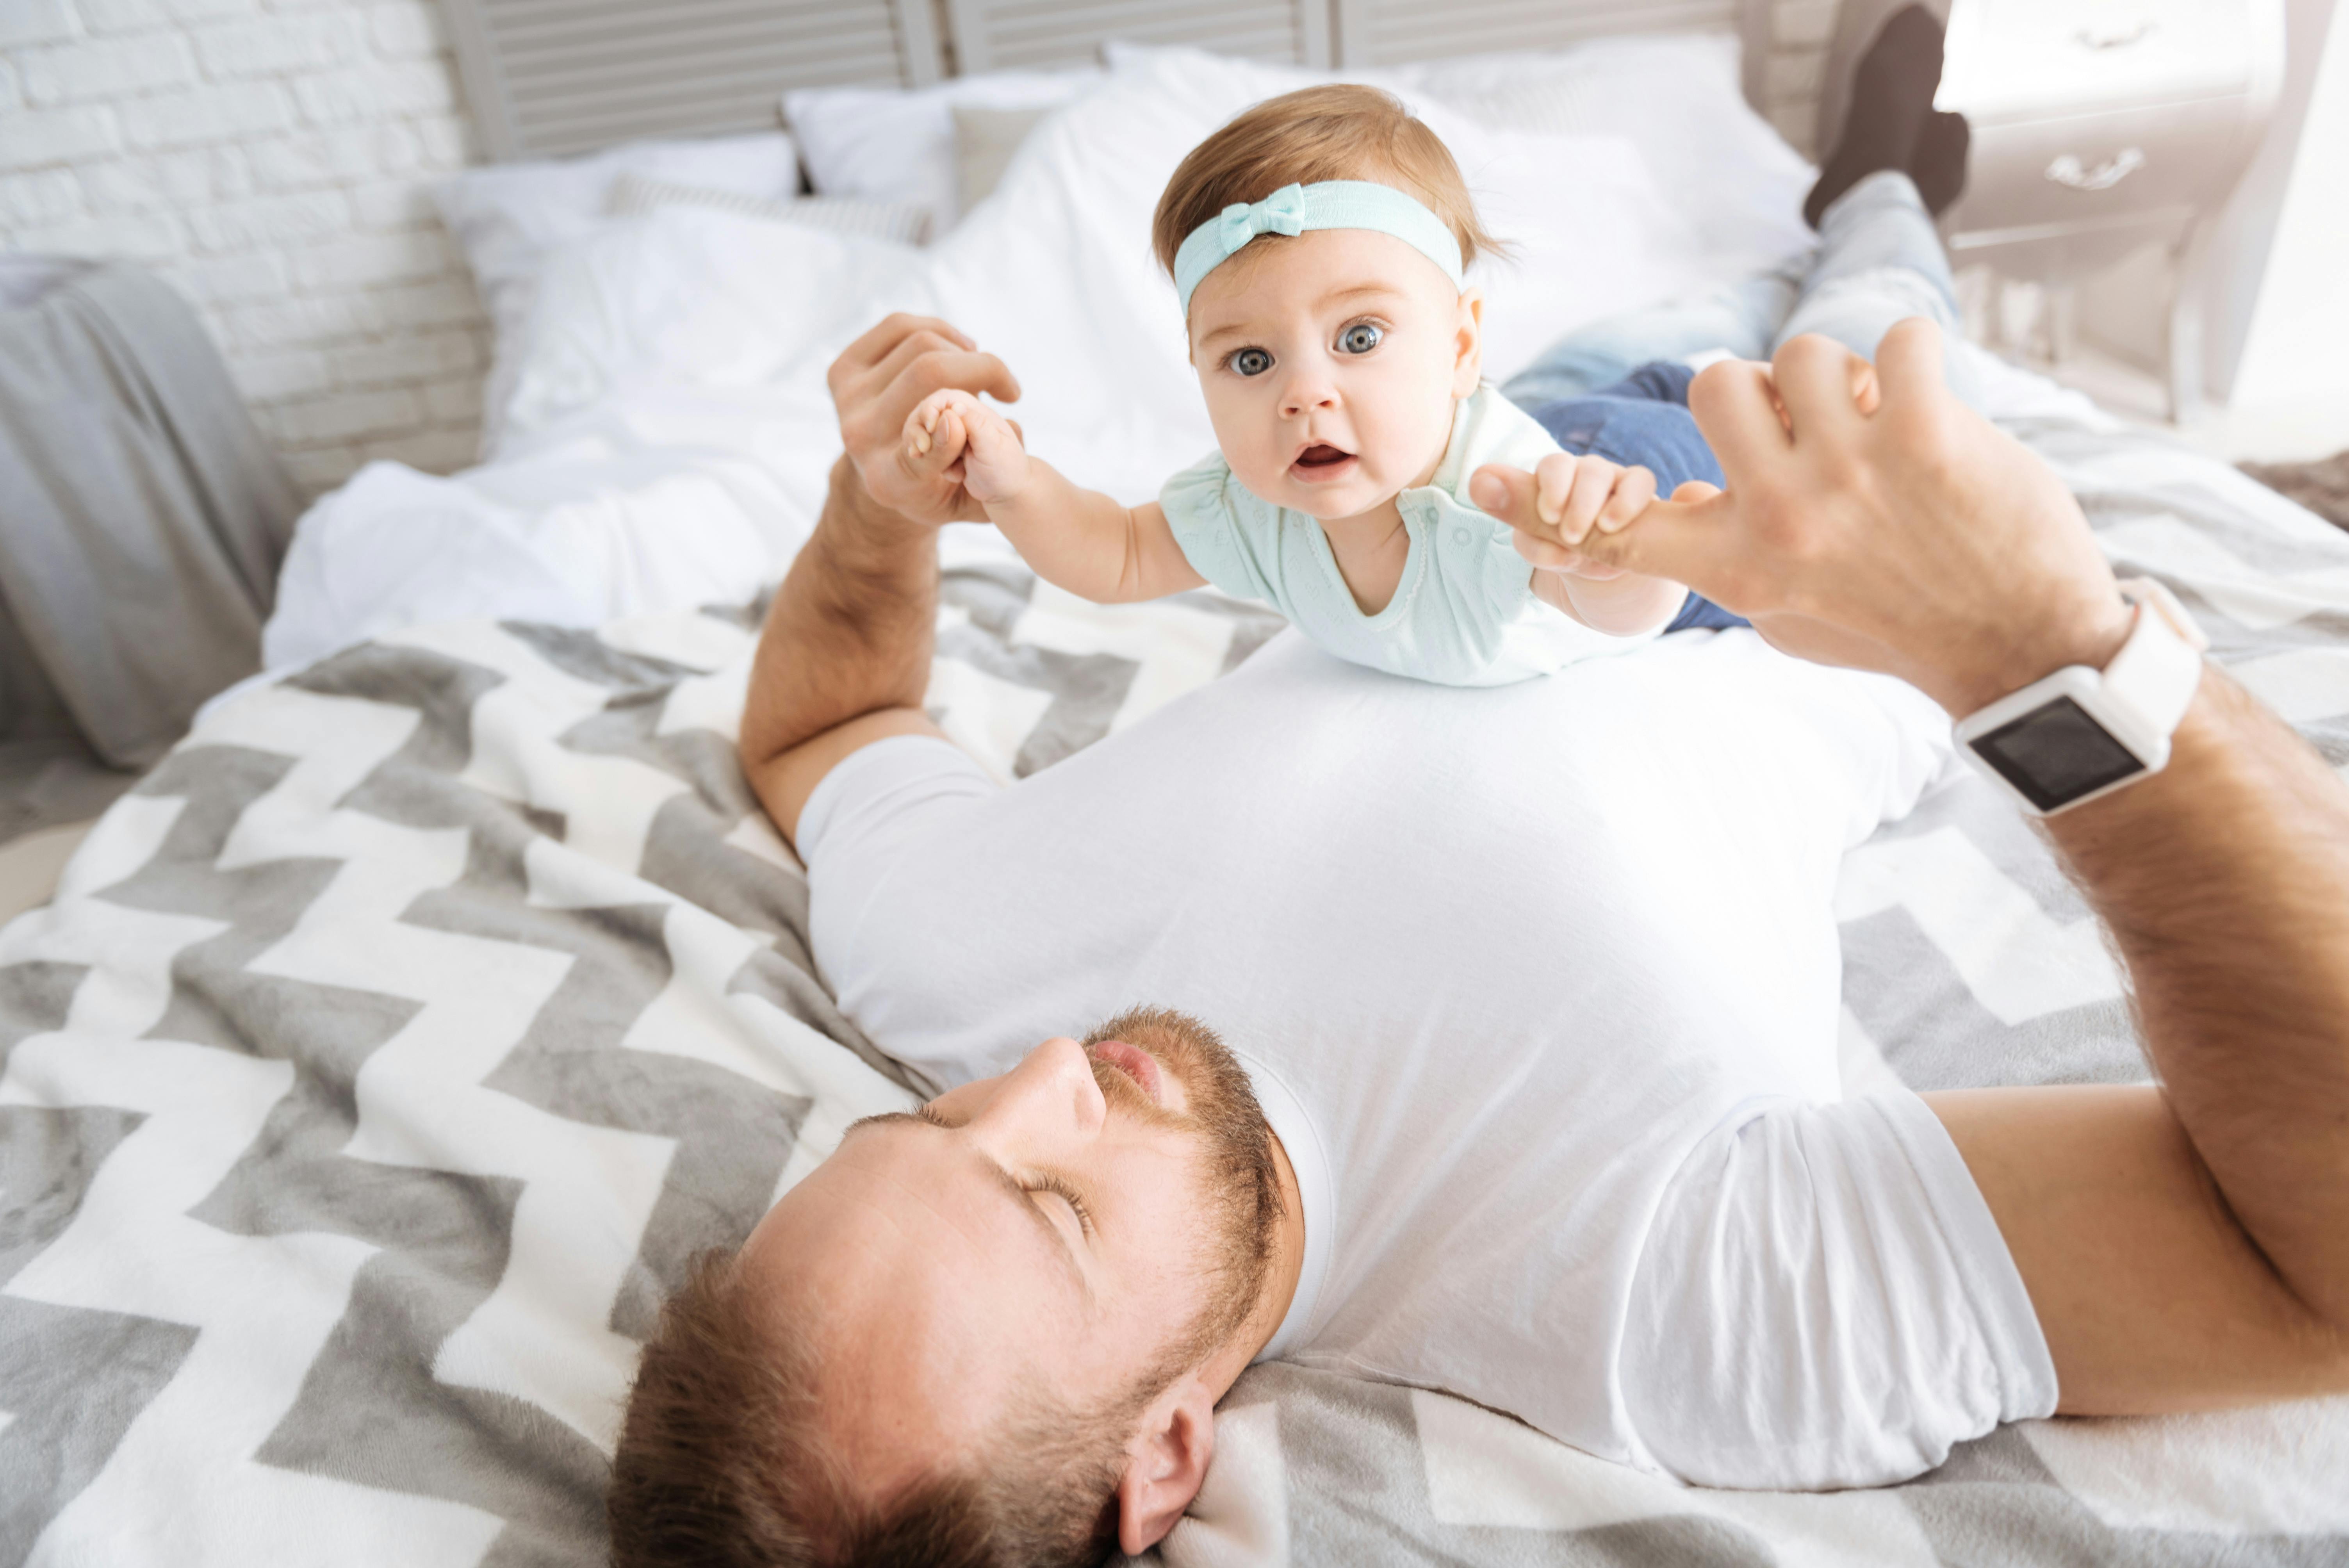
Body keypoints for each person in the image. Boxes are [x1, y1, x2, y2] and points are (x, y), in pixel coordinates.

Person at [606, 42, 2349, 1568]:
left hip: (1486, 463)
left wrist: (878, 498)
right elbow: (2315, 1265)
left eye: (924, 1125)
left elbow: (828, 723)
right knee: (1863, 304)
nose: (1045, 1070)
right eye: (1057, 1205)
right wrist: (2053, 652)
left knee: (1654, 324)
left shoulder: (945, 962)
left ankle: (1778, 232)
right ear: (1162, 1457)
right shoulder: (1660, 1294)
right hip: (1788, 542)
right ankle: (1881, 186)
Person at [904, 84, 1713, 688]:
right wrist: (1013, 484)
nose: (1303, 394)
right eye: (1252, 361)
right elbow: (1115, 555)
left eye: (1358, 338)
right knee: (1585, 372)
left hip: (1623, 456)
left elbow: (1629, 609)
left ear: (1461, 345)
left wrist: (1617, 557)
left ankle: (1713, 336)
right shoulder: (1246, 511)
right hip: (1522, 413)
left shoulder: (1504, 503)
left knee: (1724, 458)